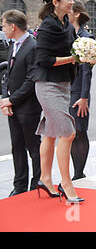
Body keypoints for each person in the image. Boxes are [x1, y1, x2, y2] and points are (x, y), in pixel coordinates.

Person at [34, 0, 83, 203]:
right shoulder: (47, 26)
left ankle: (45, 177)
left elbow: (71, 48)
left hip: (63, 84)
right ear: (55, 2)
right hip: (48, 85)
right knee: (68, 132)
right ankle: (66, 182)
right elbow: (43, 60)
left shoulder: (64, 23)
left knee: (51, 133)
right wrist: (73, 59)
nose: (72, 2)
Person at [0, 10, 42, 197]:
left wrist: (12, 99)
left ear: (13, 26)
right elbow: (7, 74)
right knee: (17, 146)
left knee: (33, 147)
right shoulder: (13, 45)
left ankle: (37, 184)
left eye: (3, 25)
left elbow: (31, 80)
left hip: (29, 107)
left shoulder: (32, 46)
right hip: (13, 105)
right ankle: (19, 186)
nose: (2, 28)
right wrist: (5, 99)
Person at [68, 1, 94, 180]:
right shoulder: (64, 35)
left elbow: (87, 71)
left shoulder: (86, 39)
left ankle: (79, 173)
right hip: (63, 90)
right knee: (69, 133)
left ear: (76, 14)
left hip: (78, 92)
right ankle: (73, 172)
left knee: (80, 131)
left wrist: (84, 96)